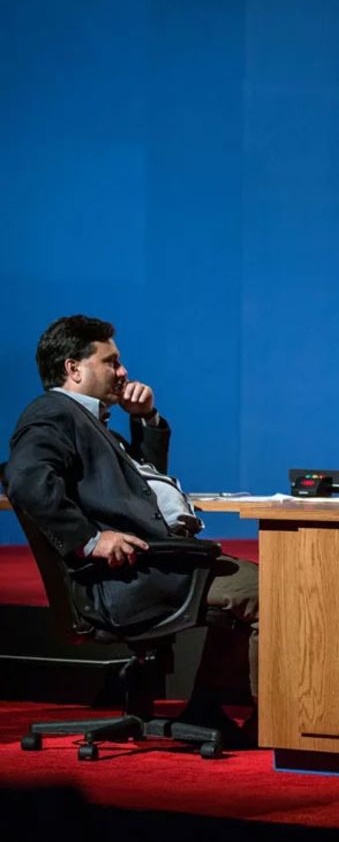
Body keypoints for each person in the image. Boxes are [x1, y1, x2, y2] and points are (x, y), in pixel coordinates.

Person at [5, 315, 259, 746]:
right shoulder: (52, 414)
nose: (123, 372)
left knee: (250, 586)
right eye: (111, 362)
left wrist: (145, 419)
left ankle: (207, 708)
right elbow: (25, 481)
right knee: (271, 591)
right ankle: (281, 724)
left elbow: (143, 490)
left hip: (155, 563)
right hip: (126, 578)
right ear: (74, 368)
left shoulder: (93, 423)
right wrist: (90, 539)